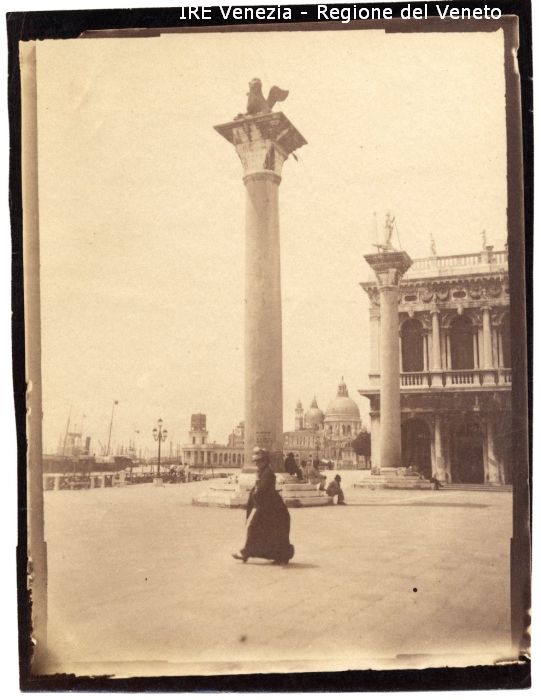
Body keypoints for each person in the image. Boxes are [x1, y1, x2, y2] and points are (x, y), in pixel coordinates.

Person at [232, 447, 294, 565]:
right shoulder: (263, 472)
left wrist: (255, 496)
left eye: (259, 461)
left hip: (273, 508)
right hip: (268, 506)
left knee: (256, 528)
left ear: (265, 461)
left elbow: (262, 490)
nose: (256, 463)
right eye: (256, 461)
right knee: (267, 531)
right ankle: (277, 555)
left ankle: (247, 552)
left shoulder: (268, 473)